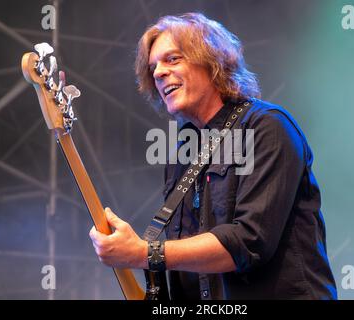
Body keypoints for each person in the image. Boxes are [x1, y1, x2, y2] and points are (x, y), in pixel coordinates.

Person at [89, 12, 337, 300]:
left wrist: (144, 253)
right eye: (153, 66)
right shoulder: (182, 154)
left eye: (172, 59)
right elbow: (187, 264)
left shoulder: (267, 127)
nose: (158, 73)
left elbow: (248, 242)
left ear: (211, 60)